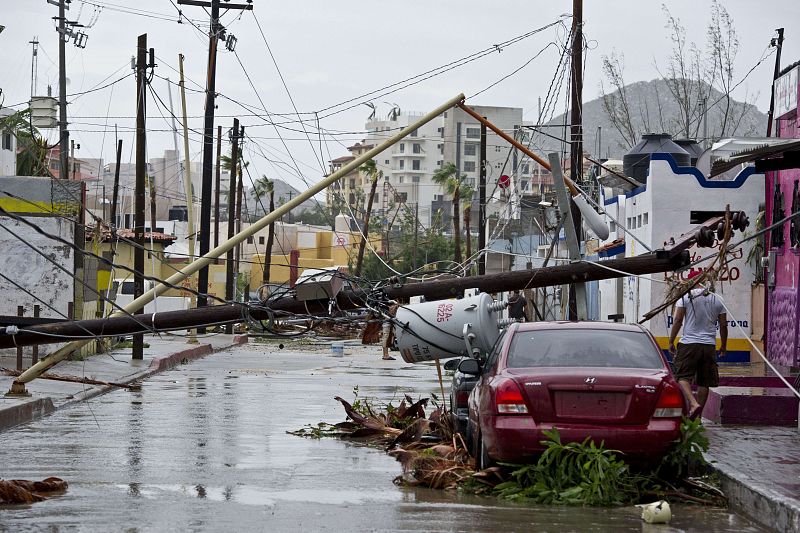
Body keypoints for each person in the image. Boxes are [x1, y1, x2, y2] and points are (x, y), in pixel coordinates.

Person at [668, 274, 727, 420]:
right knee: (704, 382)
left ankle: (693, 404)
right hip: (708, 345)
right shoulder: (718, 299)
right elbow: (723, 325)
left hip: (689, 344)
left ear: (693, 283)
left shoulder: (685, 297)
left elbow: (678, 320)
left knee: (682, 377)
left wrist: (671, 341)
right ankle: (698, 418)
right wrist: (724, 345)